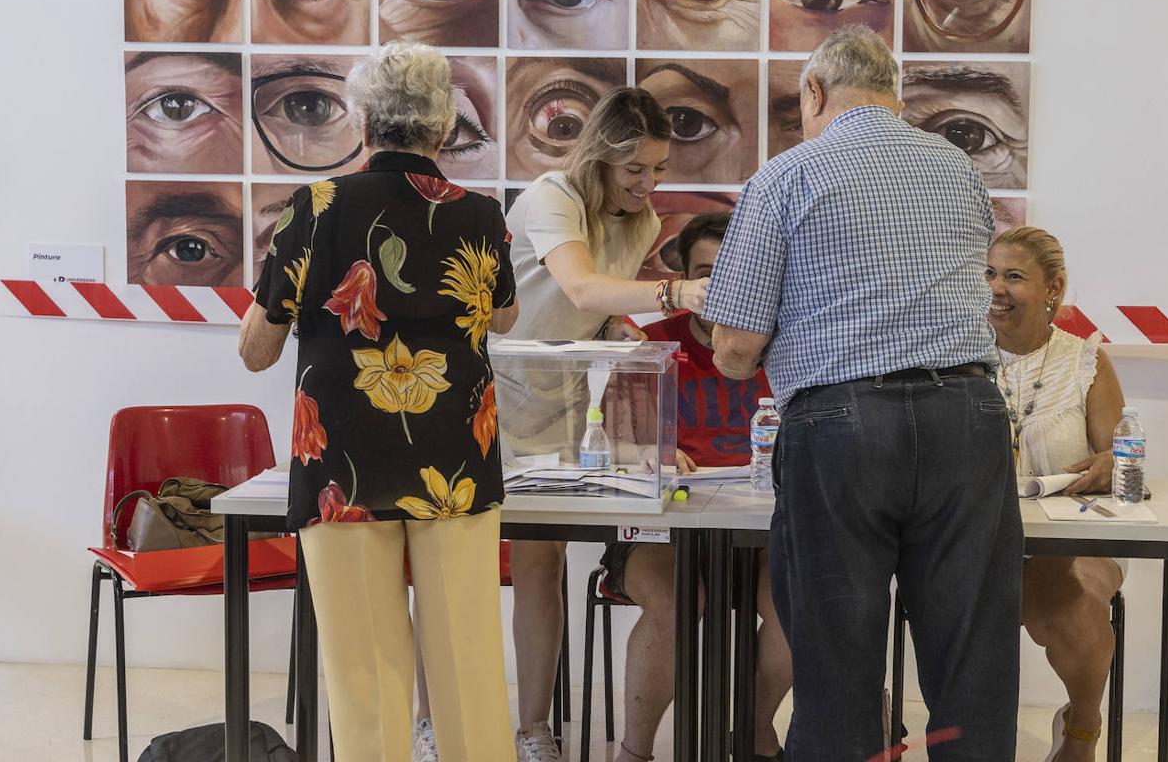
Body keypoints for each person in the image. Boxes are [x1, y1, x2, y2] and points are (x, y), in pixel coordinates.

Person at [706, 25, 1022, 761]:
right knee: (973, 663)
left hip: (841, 427)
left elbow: (735, 347)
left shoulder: (787, 176)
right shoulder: (956, 168)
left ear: (814, 92)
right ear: (896, 95)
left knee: (837, 665)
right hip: (967, 418)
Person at [238, 40, 518, 762]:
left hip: (340, 462)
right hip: (456, 453)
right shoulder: (483, 215)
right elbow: (506, 316)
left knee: (363, 664)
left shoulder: (316, 206)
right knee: (469, 657)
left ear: (361, 121)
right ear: (441, 127)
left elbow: (257, 349)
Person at [501, 86, 707, 762]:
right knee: (462, 570)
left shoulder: (640, 223)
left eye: (659, 170)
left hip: (558, 402)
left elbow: (594, 312)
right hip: (491, 397)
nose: (648, 186)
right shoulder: (553, 197)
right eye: (635, 170)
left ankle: (532, 729)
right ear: (600, 158)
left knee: (541, 563)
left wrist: (622, 332)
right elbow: (582, 287)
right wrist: (680, 292)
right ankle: (437, 722)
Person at [600, 212, 790, 762]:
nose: (721, 287)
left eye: (734, 272)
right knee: (677, 602)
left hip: (761, 524)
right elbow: (616, 442)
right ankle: (634, 752)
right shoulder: (651, 343)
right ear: (684, 275)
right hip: (667, 525)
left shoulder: (787, 345)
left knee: (794, 601)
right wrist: (649, 452)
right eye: (707, 272)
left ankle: (752, 731)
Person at [987, 226, 1128, 762]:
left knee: (1065, 600)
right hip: (980, 535)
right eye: (989, 274)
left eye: (1014, 276)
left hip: (1076, 529)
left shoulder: (1086, 361)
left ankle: (1082, 729)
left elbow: (1119, 455)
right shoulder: (957, 355)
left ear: (1054, 288)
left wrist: (1108, 462)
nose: (997, 288)